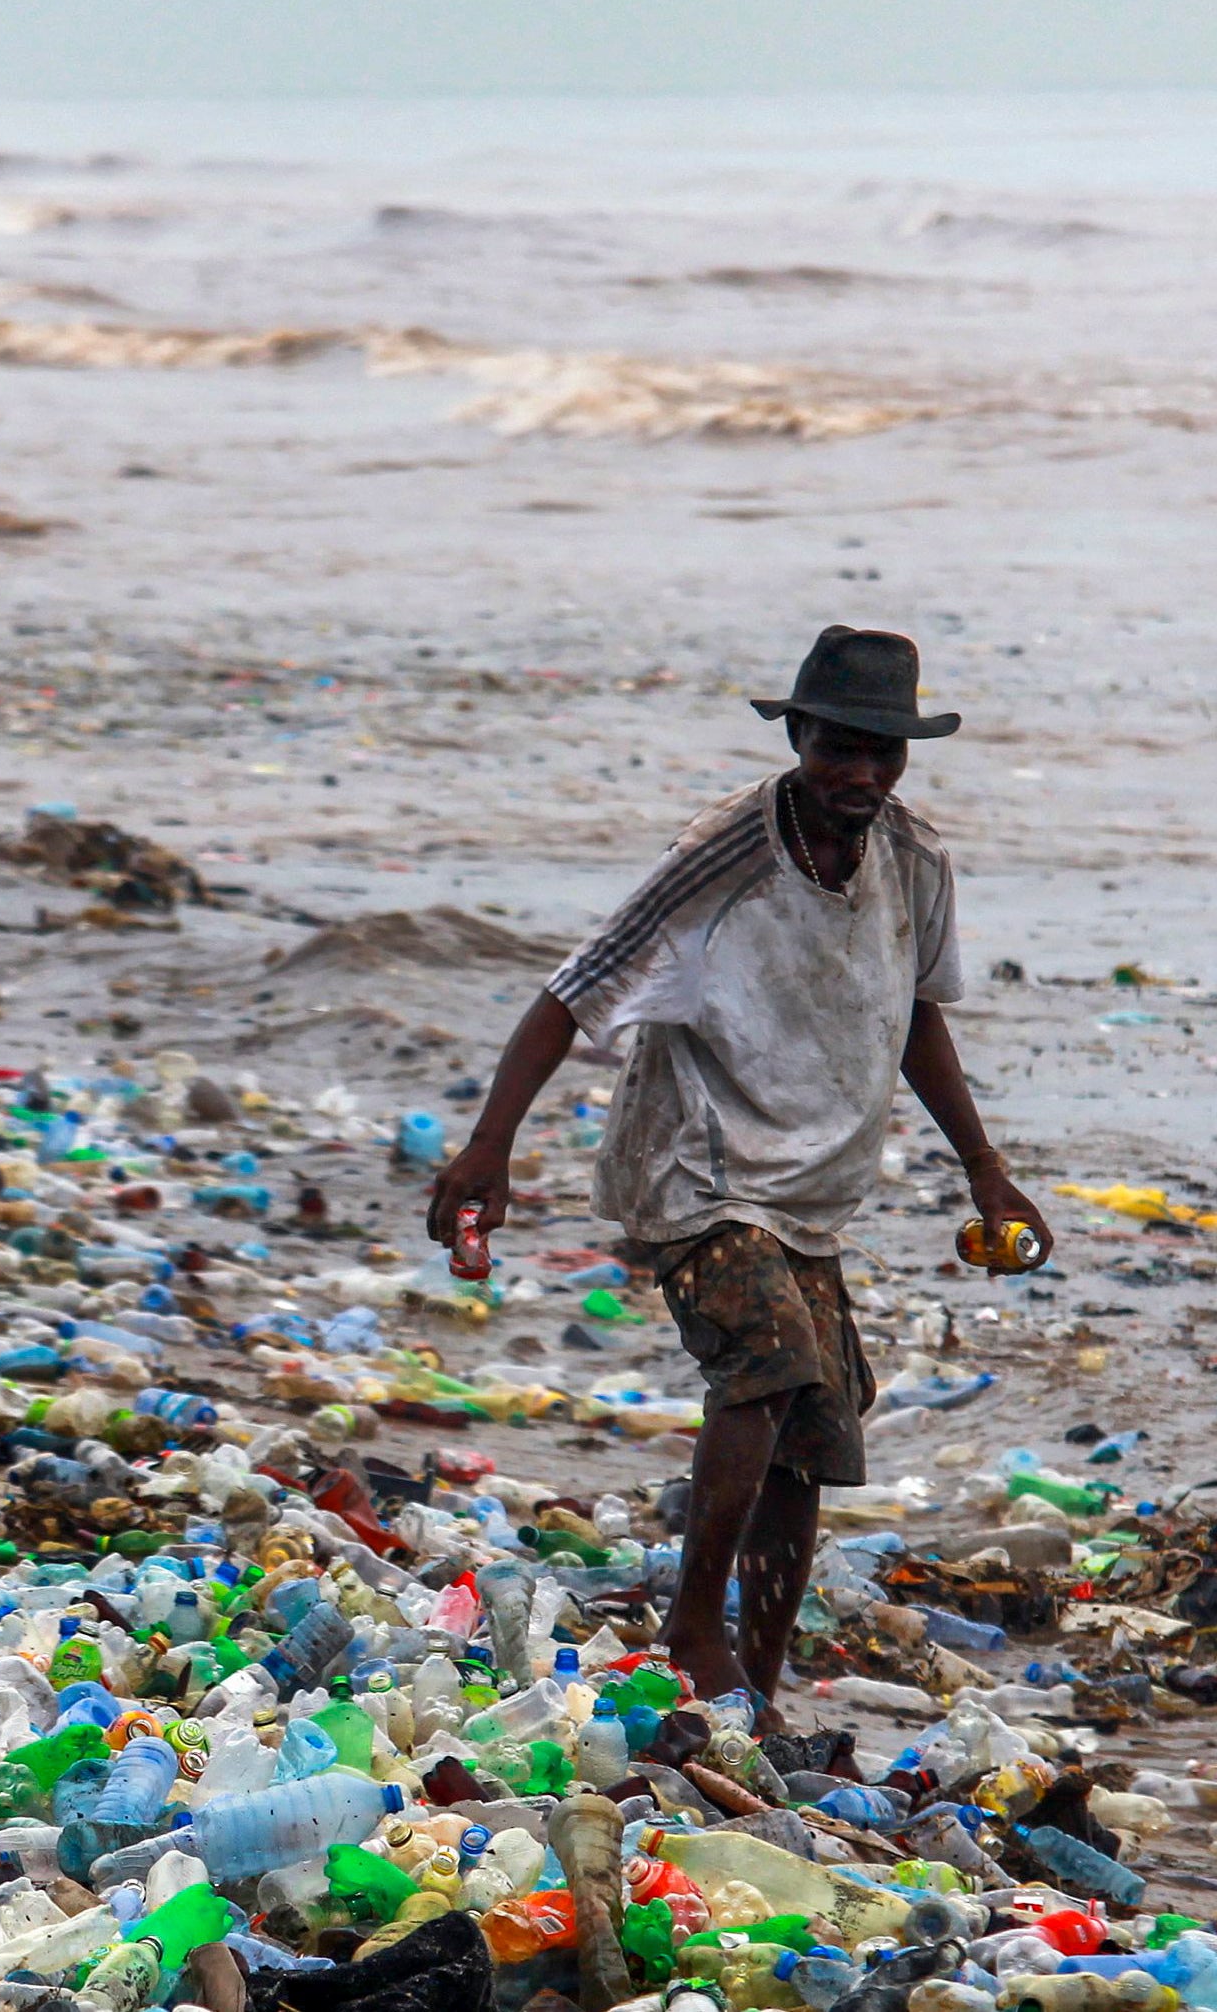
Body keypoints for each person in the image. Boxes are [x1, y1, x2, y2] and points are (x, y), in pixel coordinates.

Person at [428, 624, 1049, 1728]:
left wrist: (986, 1171)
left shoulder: (914, 861)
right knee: (767, 1361)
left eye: (884, 751)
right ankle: (692, 1627)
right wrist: (489, 1148)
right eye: (839, 746)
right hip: (694, 1165)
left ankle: (754, 1686)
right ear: (798, 736)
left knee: (816, 1429)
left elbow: (916, 1017)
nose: (861, 773)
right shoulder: (726, 852)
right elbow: (573, 992)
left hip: (810, 1190)